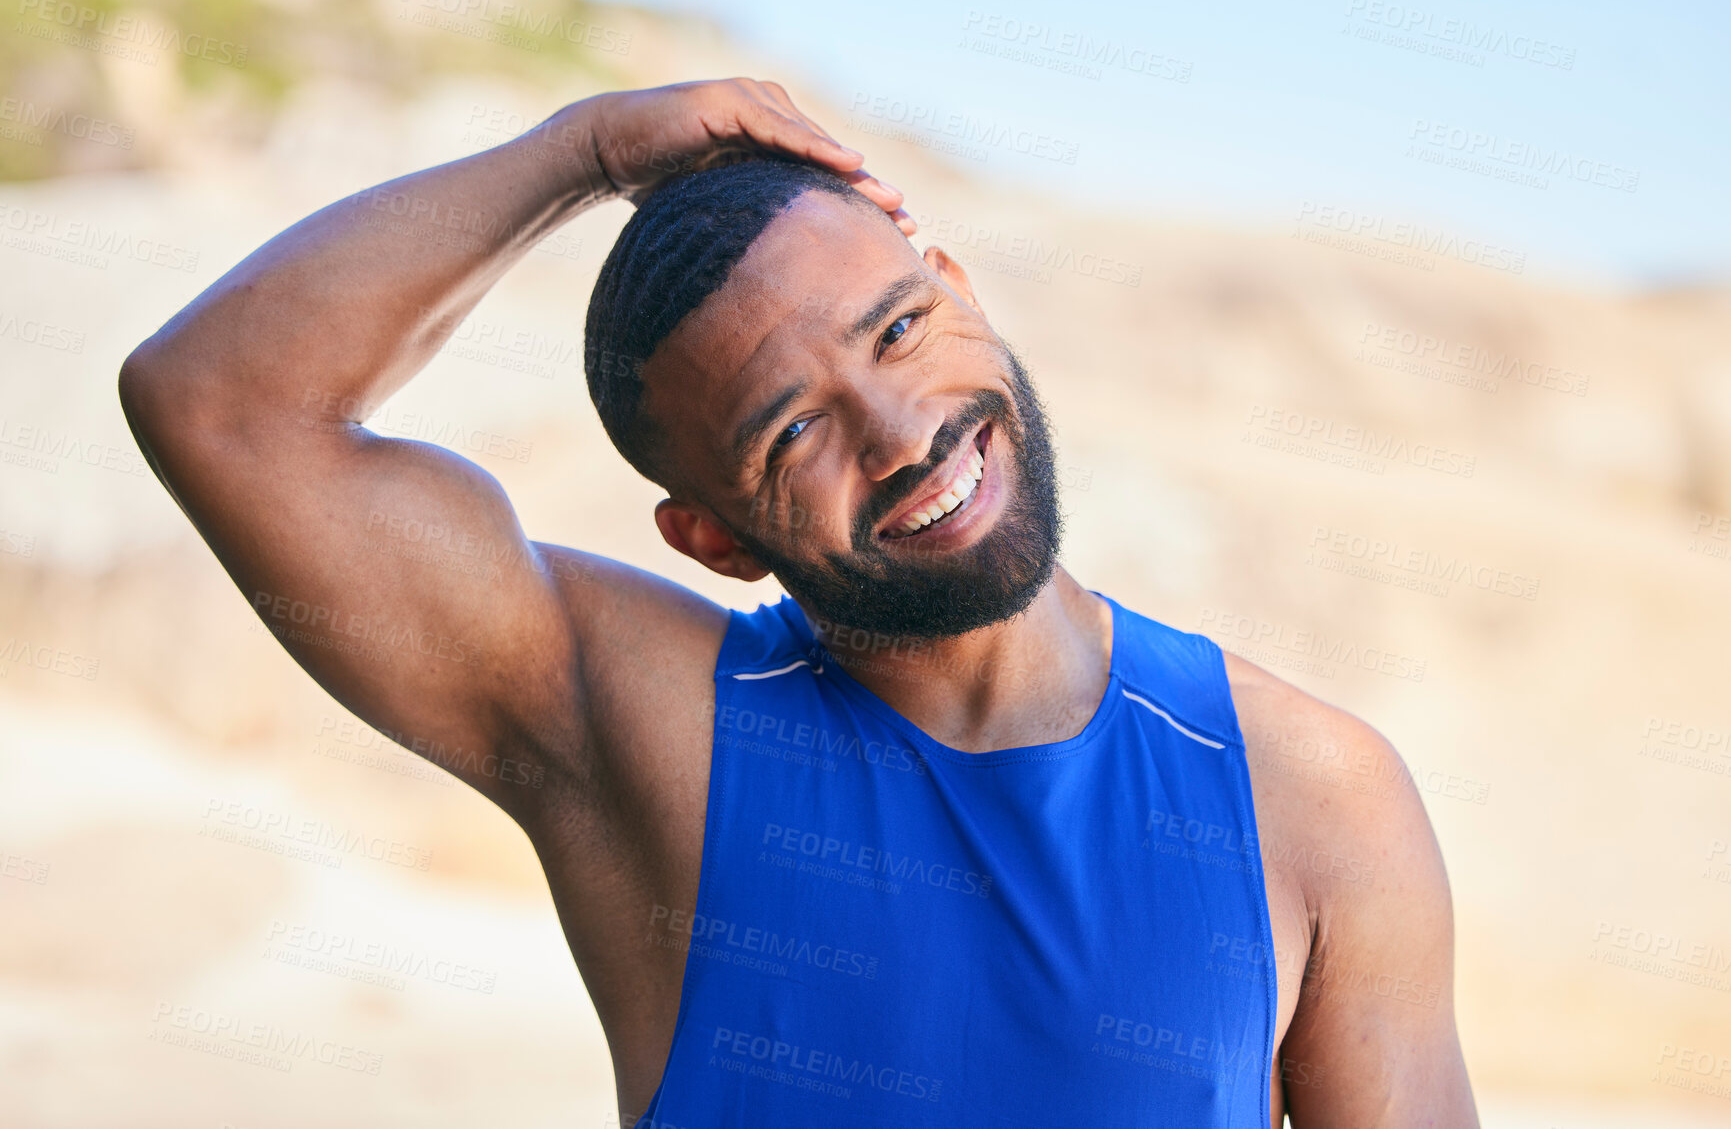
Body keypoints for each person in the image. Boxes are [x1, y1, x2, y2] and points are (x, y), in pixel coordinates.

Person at [118, 78, 1478, 1127]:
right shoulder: (645, 730)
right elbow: (220, 405)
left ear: (960, 292)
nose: (903, 434)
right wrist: (581, 151)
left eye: (897, 329)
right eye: (792, 435)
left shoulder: (1311, 793)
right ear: (710, 536)